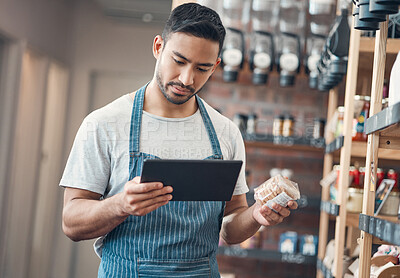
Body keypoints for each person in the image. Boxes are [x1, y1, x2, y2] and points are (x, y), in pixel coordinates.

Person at [60, 3, 298, 277]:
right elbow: (71, 223)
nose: (187, 79)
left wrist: (256, 216)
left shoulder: (226, 133)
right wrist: (120, 205)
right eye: (180, 61)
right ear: (158, 47)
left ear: (216, 66)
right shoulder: (103, 124)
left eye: (202, 68)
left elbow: (230, 226)